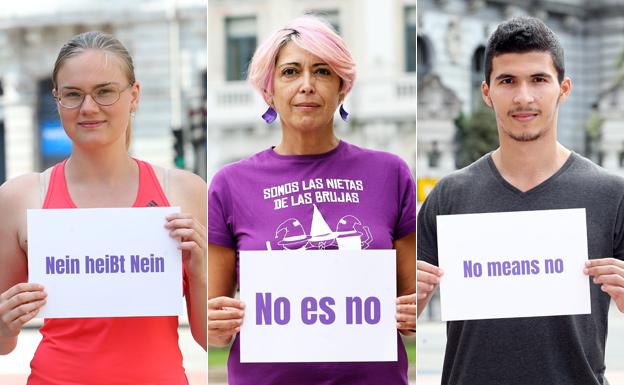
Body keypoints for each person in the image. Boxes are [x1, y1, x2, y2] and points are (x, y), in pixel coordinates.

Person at [208, 15, 416, 385]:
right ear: (268, 90)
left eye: (321, 71)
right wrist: (215, 327)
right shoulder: (230, 184)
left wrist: (415, 312)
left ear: (342, 87)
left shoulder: (391, 173)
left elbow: (411, 300)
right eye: (290, 72)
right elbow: (215, 318)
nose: (307, 85)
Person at [417, 16, 624, 385]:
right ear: (486, 92)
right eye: (508, 81)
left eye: (539, 80)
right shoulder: (449, 197)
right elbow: (397, 320)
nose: (523, 97)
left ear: (564, 89)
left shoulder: (611, 195)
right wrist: (406, 303)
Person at [0, 31, 207, 384]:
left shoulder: (185, 191)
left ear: (134, 96)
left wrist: (201, 270)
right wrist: (4, 321)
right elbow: (4, 344)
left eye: (105, 91)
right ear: (57, 100)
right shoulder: (20, 197)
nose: (89, 108)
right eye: (73, 95)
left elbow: (209, 339)